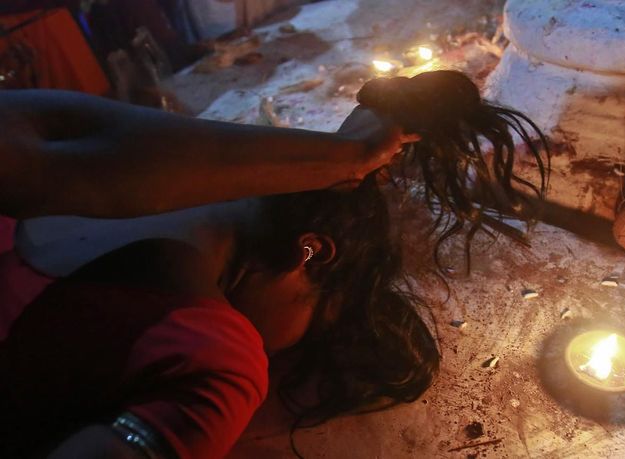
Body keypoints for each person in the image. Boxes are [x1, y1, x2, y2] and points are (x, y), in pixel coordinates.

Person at [0, 89, 435, 459]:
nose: (272, 355)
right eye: (314, 329)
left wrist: (347, 156)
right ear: (311, 253)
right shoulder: (226, 363)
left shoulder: (60, 178)